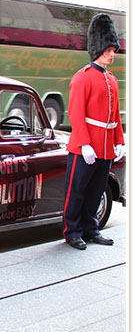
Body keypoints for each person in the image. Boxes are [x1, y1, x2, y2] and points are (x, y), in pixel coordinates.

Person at [63, 13, 125, 250]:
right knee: (77, 190)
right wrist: (85, 143)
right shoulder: (82, 78)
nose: (112, 54)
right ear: (99, 48)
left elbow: (115, 114)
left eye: (113, 50)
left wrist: (119, 141)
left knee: (96, 190)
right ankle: (72, 231)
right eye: (109, 50)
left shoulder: (112, 79)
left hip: (106, 145)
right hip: (86, 145)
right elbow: (76, 114)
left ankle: (91, 228)